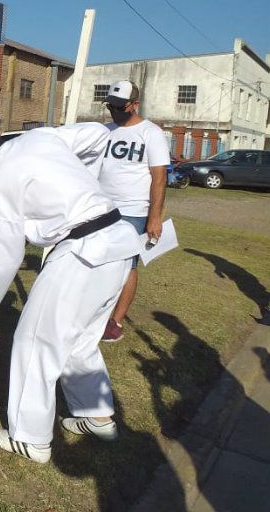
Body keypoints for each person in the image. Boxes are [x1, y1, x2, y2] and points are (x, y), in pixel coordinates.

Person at [0, 113, 139, 464]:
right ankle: (97, 416)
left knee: (34, 342)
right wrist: (78, 180)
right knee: (78, 340)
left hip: (82, 254)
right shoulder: (41, 139)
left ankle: (30, 438)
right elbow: (95, 134)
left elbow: (4, 258)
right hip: (118, 244)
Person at [98, 80, 169, 342]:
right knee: (99, 260)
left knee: (126, 265)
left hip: (133, 211)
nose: (114, 111)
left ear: (134, 104)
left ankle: (116, 321)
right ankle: (95, 313)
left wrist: (155, 216)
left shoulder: (151, 133)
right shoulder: (104, 131)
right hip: (101, 208)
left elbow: (159, 177)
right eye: (110, 106)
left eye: (119, 107)